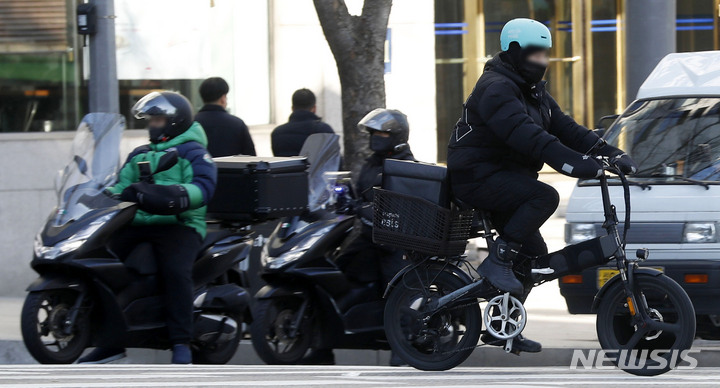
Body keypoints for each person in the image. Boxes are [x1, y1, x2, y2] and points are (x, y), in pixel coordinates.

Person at [447, 18, 637, 353]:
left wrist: (609, 151)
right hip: (477, 177)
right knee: (544, 196)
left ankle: (501, 326)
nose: (543, 61)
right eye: (536, 54)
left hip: (504, 178)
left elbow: (565, 128)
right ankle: (496, 262)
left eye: (546, 54)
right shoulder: (496, 88)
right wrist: (573, 164)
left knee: (533, 257)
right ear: (515, 52)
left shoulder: (531, 91)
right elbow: (530, 137)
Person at [78, 91, 217, 364]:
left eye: (158, 119)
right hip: (137, 222)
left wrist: (178, 195)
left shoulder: (193, 152)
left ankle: (181, 342)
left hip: (180, 224)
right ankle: (110, 342)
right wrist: (93, 195)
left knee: (175, 272)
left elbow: (204, 186)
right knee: (98, 263)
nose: (152, 125)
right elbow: (119, 186)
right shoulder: (140, 153)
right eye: (150, 120)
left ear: (175, 121)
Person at [305, 108, 413, 366]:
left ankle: (402, 346)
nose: (376, 137)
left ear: (396, 135)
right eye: (373, 132)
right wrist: (337, 195)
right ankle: (322, 347)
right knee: (333, 277)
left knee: (395, 288)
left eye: (382, 132)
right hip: (367, 237)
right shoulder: (372, 162)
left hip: (393, 243)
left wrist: (363, 208)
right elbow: (360, 194)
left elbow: (396, 203)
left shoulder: (405, 165)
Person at [195, 77, 256, 157]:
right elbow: (251, 157)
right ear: (223, 99)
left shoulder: (192, 123)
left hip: (199, 169)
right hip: (231, 169)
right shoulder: (237, 124)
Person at [271, 88, 334, 156]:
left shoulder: (277, 133)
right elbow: (333, 159)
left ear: (292, 108)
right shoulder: (324, 130)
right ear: (314, 108)